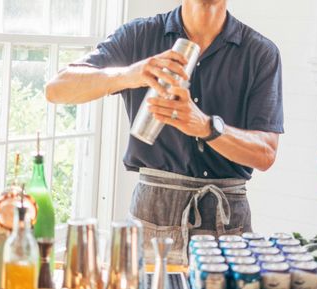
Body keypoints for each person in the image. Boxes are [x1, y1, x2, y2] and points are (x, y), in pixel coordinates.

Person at [45, 0, 283, 265]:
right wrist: (129, 74)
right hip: (150, 218)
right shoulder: (138, 36)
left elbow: (265, 154)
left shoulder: (260, 53)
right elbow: (56, 89)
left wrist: (206, 126)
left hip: (228, 227)